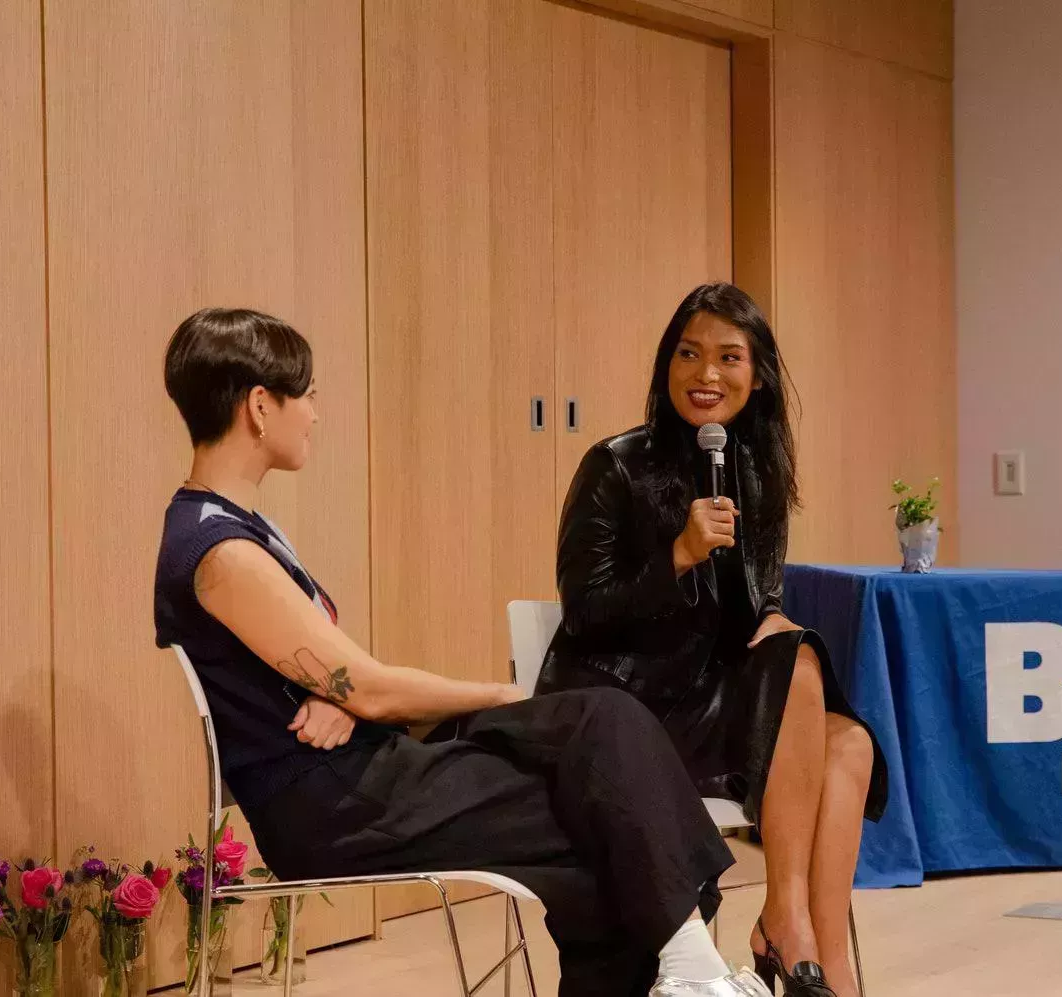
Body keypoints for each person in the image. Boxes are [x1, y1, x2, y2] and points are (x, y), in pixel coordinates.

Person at [152, 307, 772, 997]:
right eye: (309, 395)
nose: (316, 414)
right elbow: (369, 684)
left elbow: (341, 680)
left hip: (369, 770)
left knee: (609, 760)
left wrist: (345, 696)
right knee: (609, 795)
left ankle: (691, 969)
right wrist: (494, 693)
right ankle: (693, 969)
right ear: (261, 407)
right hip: (339, 804)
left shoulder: (235, 529)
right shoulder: (221, 551)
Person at [534, 283, 887, 997]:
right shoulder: (616, 464)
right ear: (667, 367)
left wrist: (772, 619)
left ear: (756, 378)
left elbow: (757, 603)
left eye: (730, 358)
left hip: (707, 696)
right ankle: (788, 924)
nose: (707, 375)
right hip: (626, 710)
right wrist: (677, 556)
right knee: (804, 665)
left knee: (847, 736)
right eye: (690, 355)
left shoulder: (753, 470)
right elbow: (585, 611)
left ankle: (824, 959)